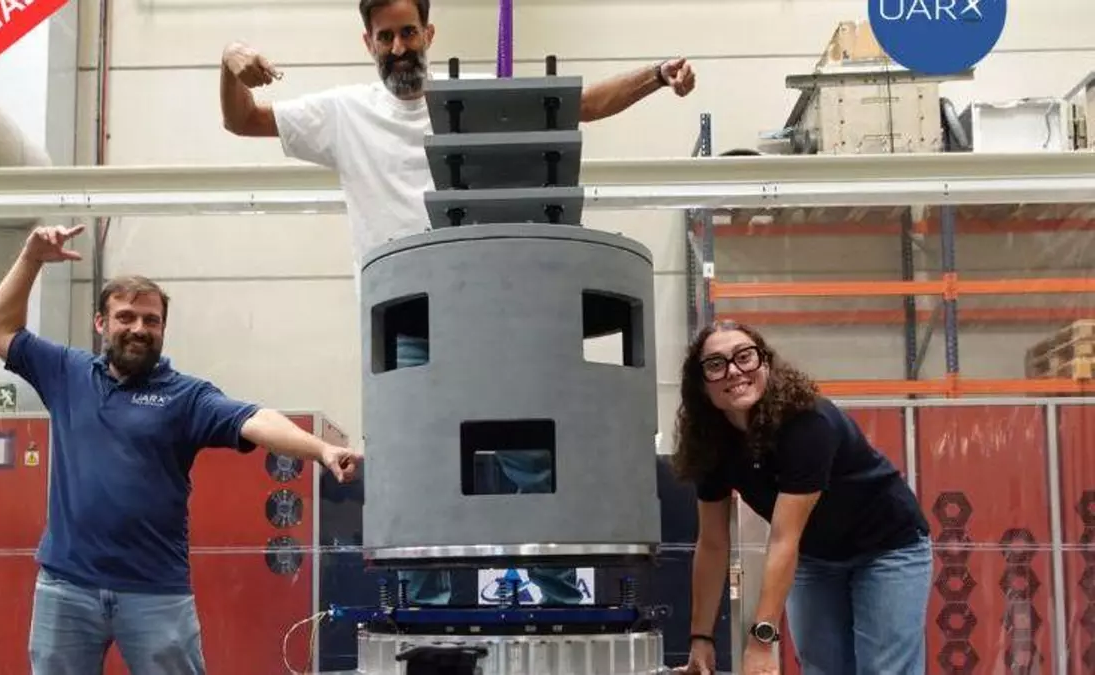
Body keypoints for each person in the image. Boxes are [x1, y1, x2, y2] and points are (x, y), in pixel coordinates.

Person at [219, 0, 696, 607]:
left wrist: (656, 74)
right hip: (406, 320)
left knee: (531, 455)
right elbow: (243, 120)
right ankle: (426, 609)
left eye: (408, 33)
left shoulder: (471, 99)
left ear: (429, 33)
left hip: (494, 314)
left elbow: (580, 105)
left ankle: (558, 599)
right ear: (368, 43)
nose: (399, 48)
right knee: (419, 467)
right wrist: (230, 64)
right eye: (385, 37)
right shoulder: (344, 113)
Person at [0, 224, 363, 675]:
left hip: (154, 592)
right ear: (101, 323)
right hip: (67, 587)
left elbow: (255, 418)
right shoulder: (66, 373)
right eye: (126, 317)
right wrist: (30, 259)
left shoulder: (185, 396)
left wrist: (320, 450)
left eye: (151, 320)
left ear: (163, 328)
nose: (139, 329)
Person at [671, 320, 932, 675]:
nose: (733, 371)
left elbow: (784, 538)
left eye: (745, 357)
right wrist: (701, 638)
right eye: (716, 364)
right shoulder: (712, 444)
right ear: (701, 383)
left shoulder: (808, 422)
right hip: (816, 556)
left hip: (887, 546)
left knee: (884, 669)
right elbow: (713, 543)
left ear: (765, 363)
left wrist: (761, 641)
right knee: (822, 668)